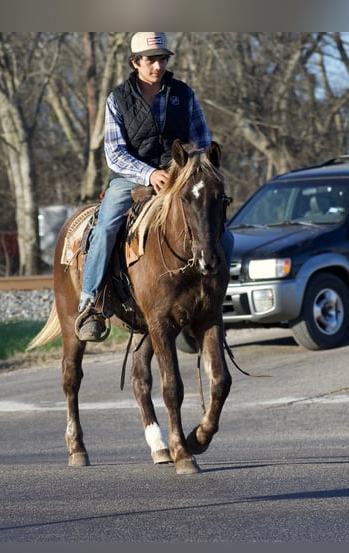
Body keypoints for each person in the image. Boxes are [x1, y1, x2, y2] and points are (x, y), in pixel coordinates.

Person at [75, 32, 234, 342]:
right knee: (106, 226)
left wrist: (185, 170)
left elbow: (201, 138)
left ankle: (212, 300)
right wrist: (149, 175)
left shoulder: (184, 94)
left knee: (223, 235)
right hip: (131, 178)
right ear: (135, 62)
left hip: (180, 175)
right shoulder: (117, 99)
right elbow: (115, 153)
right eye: (150, 60)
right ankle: (92, 302)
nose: (157, 66)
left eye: (162, 59)